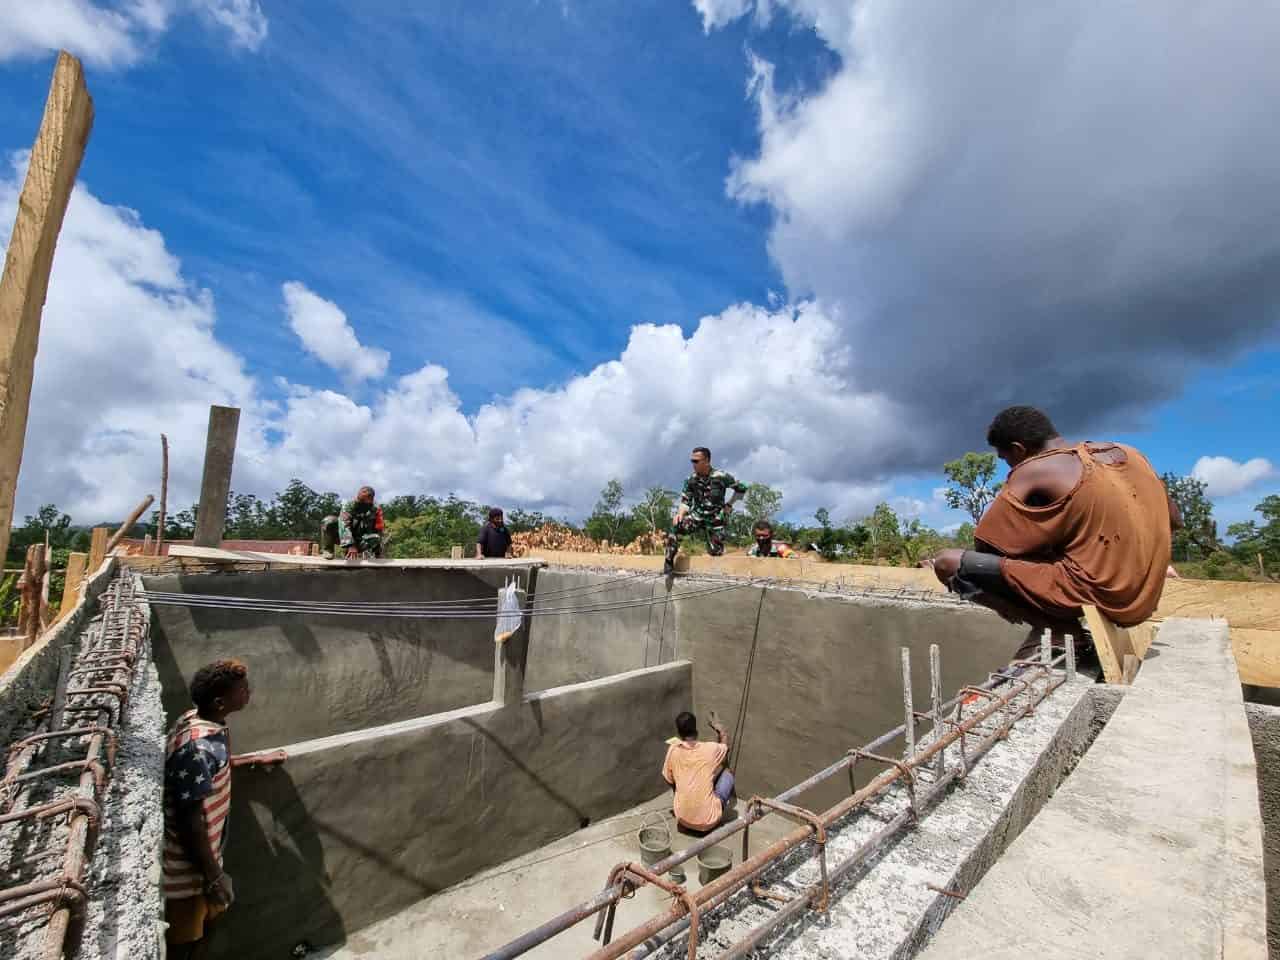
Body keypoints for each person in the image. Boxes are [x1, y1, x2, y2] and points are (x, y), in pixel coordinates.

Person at [927, 406, 1179, 630]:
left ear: (1018, 448)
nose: (1009, 467)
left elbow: (986, 546)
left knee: (947, 562)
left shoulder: (1033, 469)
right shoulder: (1130, 454)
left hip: (1100, 598)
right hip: (1143, 599)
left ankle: (1058, 630)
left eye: (1006, 459)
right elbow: (1174, 519)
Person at [163, 659, 284, 959]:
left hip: (204, 864)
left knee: (207, 928)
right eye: (242, 690)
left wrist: (252, 761)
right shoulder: (196, 748)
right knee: (186, 943)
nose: (248, 693)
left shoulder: (199, 722)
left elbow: (212, 769)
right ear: (220, 702)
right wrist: (213, 876)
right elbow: (190, 818)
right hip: (188, 873)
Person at [665, 447, 748, 574]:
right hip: (697, 516)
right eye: (692, 461)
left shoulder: (721, 476)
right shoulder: (690, 480)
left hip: (715, 519)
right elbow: (685, 501)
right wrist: (680, 514)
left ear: (707, 461)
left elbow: (741, 488)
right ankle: (669, 562)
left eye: (696, 461)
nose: (693, 464)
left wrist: (730, 504)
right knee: (677, 525)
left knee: (716, 553)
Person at [661, 710, 734, 833]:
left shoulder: (673, 750)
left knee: (701, 778)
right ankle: (715, 813)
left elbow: (667, 778)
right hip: (708, 822)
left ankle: (690, 810)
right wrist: (720, 729)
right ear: (696, 730)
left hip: (683, 819)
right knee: (728, 775)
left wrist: (680, 793)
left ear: (679, 733)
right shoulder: (710, 749)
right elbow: (725, 747)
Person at [335, 486, 383, 559]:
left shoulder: (375, 509)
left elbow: (379, 528)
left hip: (362, 539)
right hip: (345, 538)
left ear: (371, 500)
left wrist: (378, 552)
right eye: (359, 501)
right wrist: (351, 545)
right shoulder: (349, 505)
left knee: (376, 537)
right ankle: (347, 550)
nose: (361, 504)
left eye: (364, 502)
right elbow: (344, 525)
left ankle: (355, 551)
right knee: (329, 521)